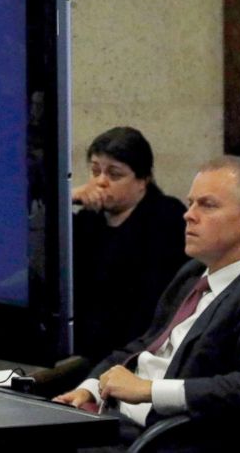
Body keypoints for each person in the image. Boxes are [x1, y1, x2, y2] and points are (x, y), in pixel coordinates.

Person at [55, 156, 240, 448]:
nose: (188, 215)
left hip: (160, 438)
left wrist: (150, 390)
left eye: (207, 205)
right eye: (191, 202)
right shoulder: (193, 272)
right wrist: (91, 388)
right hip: (115, 421)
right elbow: (143, 344)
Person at [71, 127, 188, 362]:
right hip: (82, 348)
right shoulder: (88, 219)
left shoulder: (166, 217)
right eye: (95, 171)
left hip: (135, 349)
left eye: (114, 175)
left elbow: (152, 305)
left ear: (143, 180)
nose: (100, 182)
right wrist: (67, 197)